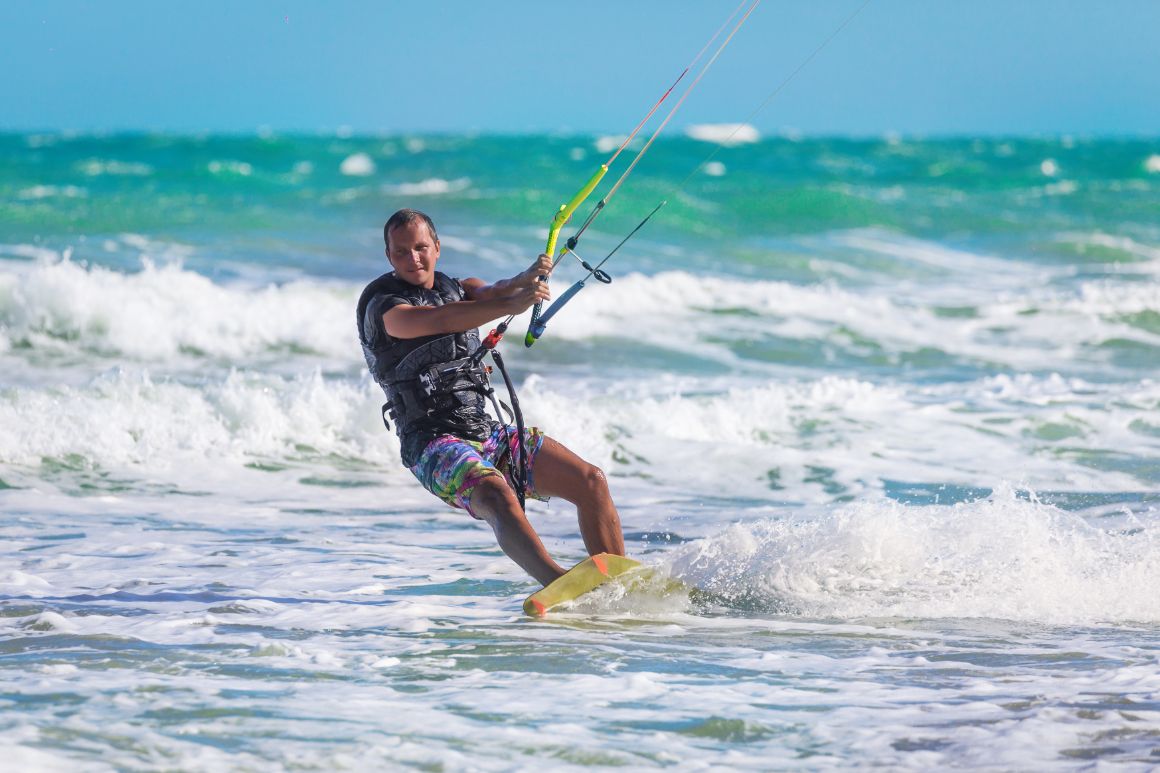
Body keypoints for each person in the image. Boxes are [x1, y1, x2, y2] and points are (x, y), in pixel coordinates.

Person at [356, 208, 625, 586]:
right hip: (432, 444)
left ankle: (618, 583)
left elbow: (493, 290)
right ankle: (559, 584)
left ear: (436, 247)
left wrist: (525, 279)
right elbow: (440, 320)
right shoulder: (384, 308)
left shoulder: (458, 287)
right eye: (401, 251)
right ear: (388, 256)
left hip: (486, 431)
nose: (412, 258)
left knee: (590, 480)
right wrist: (509, 305)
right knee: (496, 493)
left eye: (420, 247)